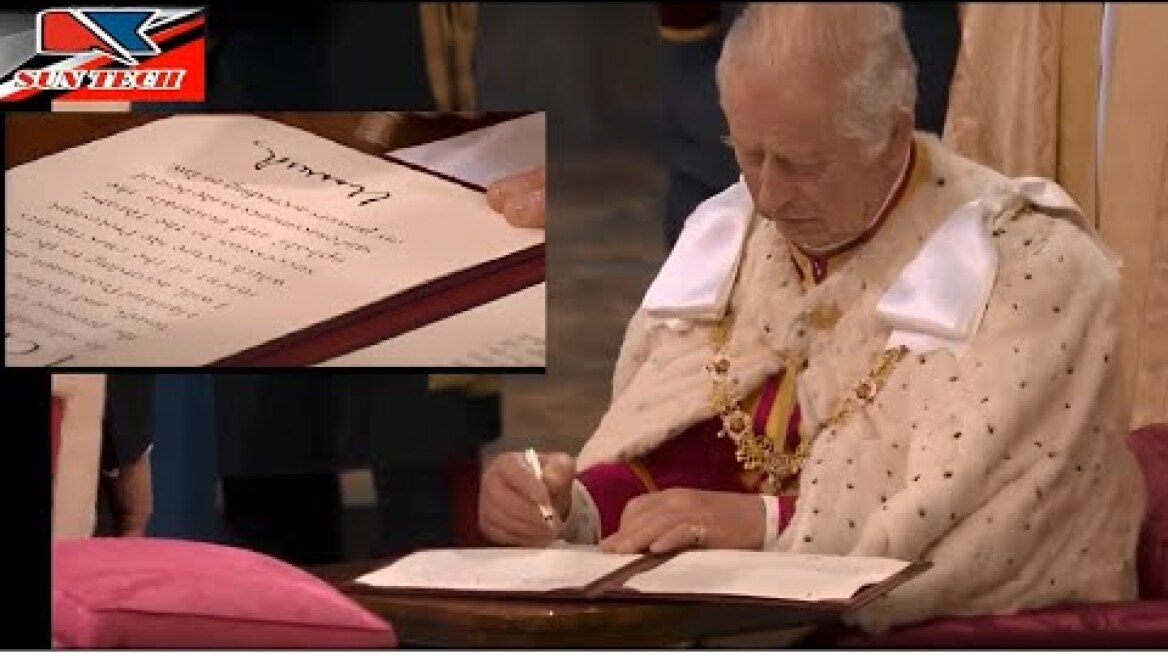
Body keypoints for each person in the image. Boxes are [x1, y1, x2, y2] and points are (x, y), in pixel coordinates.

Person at [478, 3, 1146, 632]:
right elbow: (677, 471)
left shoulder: (1030, 267)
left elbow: (984, 525)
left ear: (892, 135)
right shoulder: (730, 232)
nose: (767, 199)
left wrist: (767, 525)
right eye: (748, 155)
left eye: (800, 166)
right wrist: (568, 507)